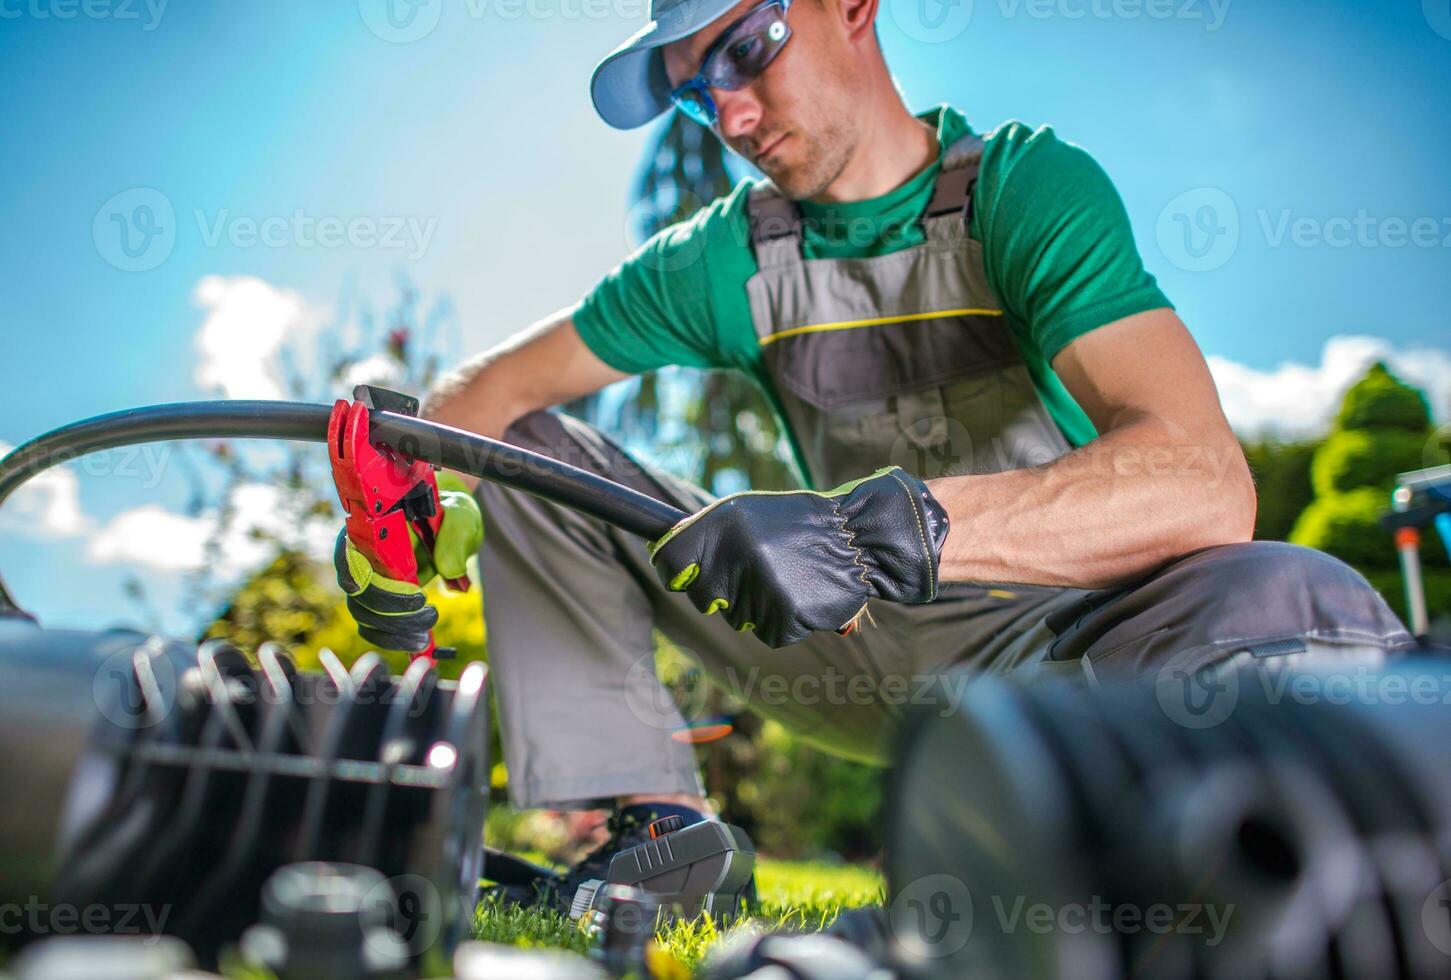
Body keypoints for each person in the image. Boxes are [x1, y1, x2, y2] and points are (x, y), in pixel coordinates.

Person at [334, 0, 1414, 910]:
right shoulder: (722, 256)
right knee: (522, 446)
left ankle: (1256, 841)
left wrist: (868, 529)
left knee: (1289, 583)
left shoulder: (1023, 189)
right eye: (692, 91)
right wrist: (412, 501)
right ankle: (663, 838)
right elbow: (483, 394)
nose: (731, 112)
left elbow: (1202, 478)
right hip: (832, 640)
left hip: (1059, 646)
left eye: (746, 49)